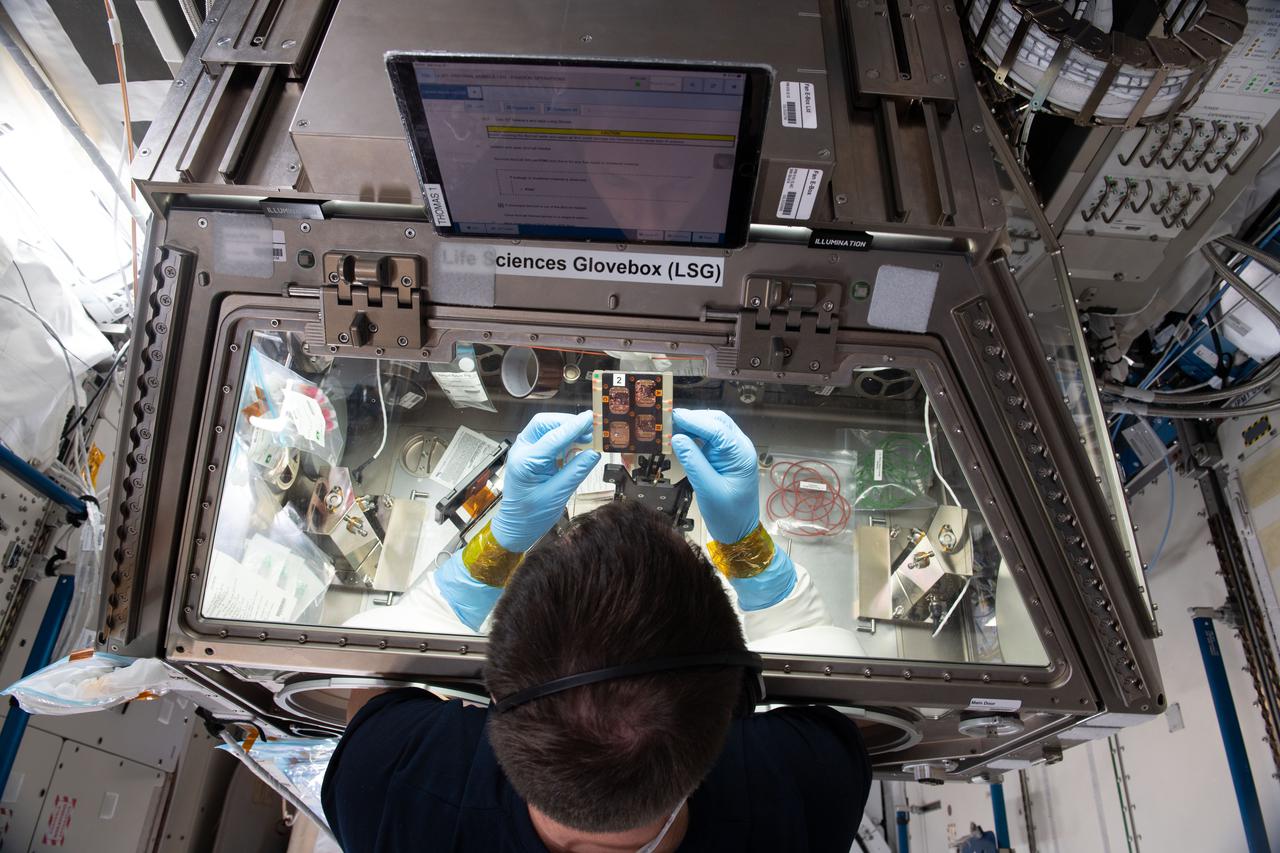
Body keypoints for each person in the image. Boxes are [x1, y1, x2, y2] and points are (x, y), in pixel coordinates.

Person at [323, 409, 873, 851]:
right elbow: (821, 649)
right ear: (739, 707)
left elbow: (377, 671)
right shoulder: (807, 790)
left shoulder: (390, 793)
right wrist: (745, 546)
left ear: (490, 692)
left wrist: (502, 539)